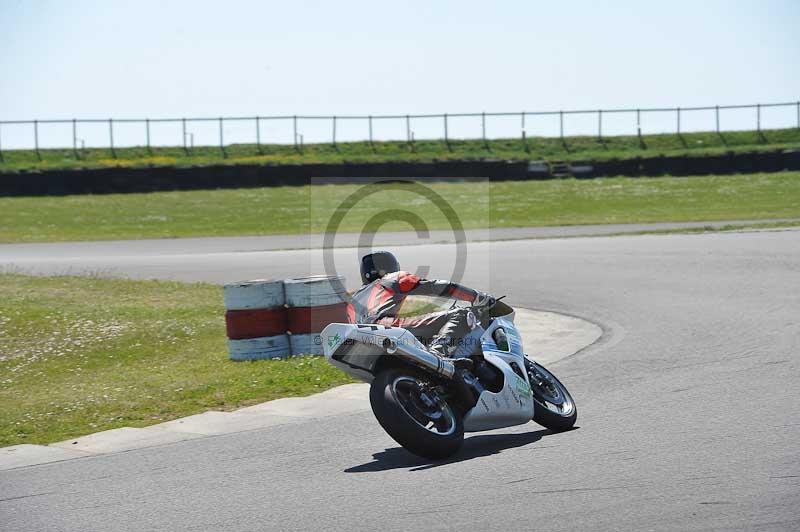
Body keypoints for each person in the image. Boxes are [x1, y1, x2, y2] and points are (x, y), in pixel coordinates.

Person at [350, 251, 495, 359]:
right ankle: (437, 352)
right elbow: (436, 287)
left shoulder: (354, 298)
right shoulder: (392, 279)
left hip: (363, 345)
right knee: (461, 314)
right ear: (392, 267)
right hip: (385, 327)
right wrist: (477, 297)